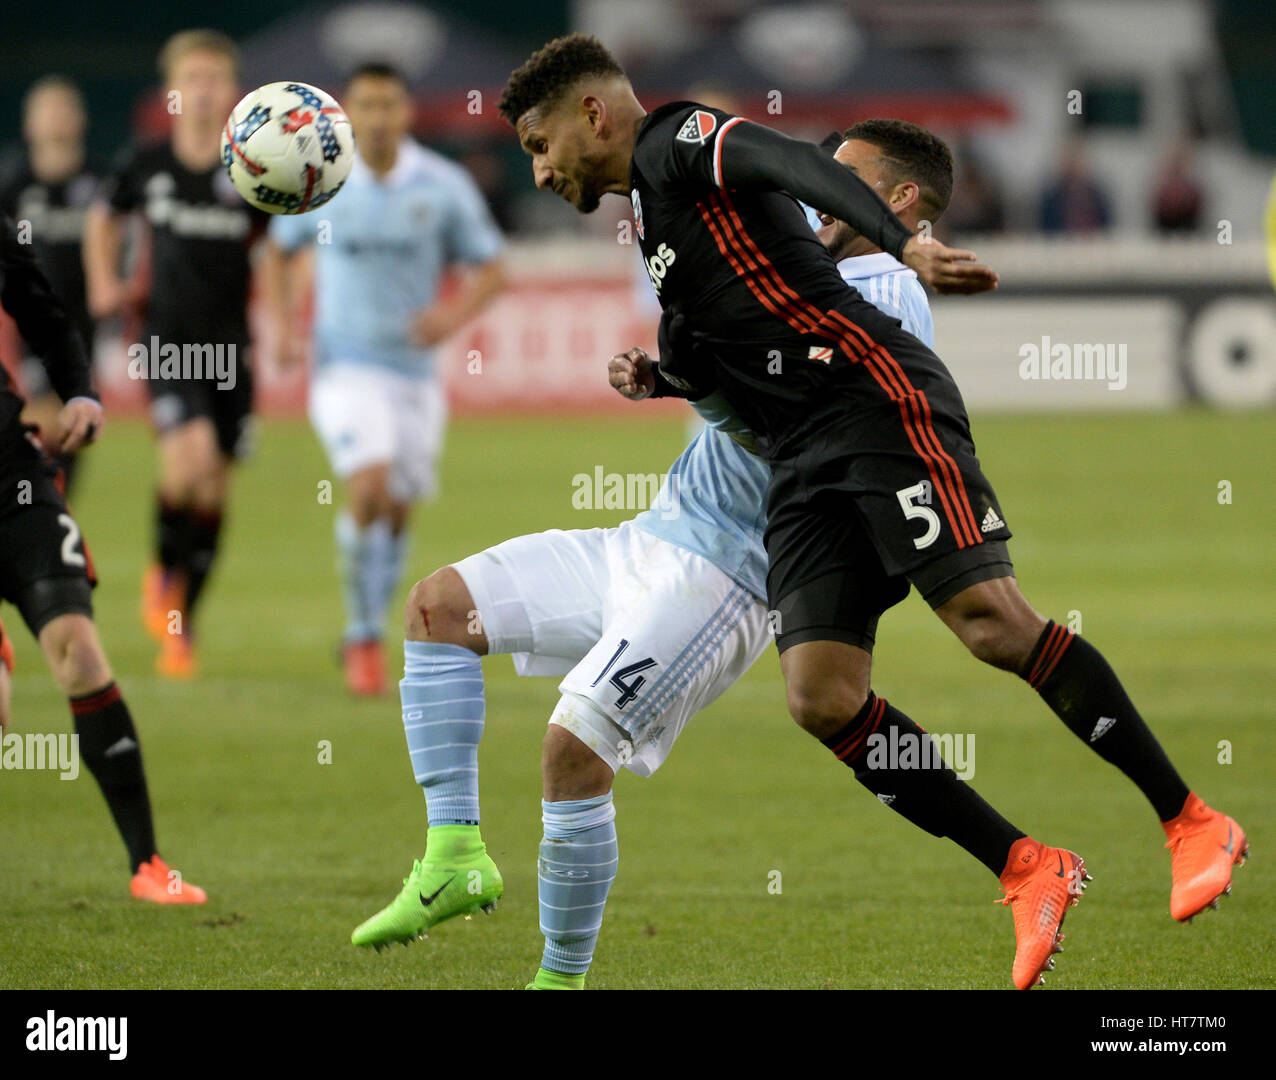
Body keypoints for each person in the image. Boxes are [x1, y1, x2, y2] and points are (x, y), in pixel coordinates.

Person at [500, 34, 1245, 988]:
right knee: (821, 696)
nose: (538, 166)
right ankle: (1027, 867)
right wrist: (667, 375)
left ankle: (1190, 819)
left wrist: (910, 243)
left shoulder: (681, 137)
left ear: (592, 116)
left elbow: (794, 160)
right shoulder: (655, 220)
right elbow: (735, 341)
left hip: (875, 405)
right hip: (801, 458)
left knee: (990, 625)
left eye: (537, 142)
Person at [351, 120, 1065, 990]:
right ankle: (455, 855)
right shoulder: (795, 268)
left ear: (894, 200)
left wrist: (700, 371)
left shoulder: (886, 285)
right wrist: (675, 373)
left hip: (728, 574)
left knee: (575, 748)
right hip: (654, 535)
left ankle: (560, 980)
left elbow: (808, 437)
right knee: (438, 607)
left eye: (838, 177)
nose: (813, 194)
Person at [0, 206, 205, 903]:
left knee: (78, 649)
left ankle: (148, 864)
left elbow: (46, 316)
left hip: (8, 477)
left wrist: (79, 390)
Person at [263, 62, 506, 695]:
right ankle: (361, 631)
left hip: (414, 376)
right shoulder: (321, 178)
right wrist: (286, 325)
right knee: (367, 487)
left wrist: (449, 317)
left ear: (405, 113)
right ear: (346, 113)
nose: (375, 117)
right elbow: (277, 248)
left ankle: (373, 618)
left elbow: (492, 268)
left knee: (397, 509)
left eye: (387, 104)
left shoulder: (442, 184)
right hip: (343, 367)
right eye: (364, 105)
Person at [84, 29, 269, 678]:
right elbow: (101, 218)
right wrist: (104, 280)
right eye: (192, 77)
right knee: (187, 461)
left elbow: (278, 247)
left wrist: (289, 320)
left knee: (214, 486)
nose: (204, 89)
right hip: (165, 340)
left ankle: (182, 622)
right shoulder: (145, 163)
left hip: (232, 348)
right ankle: (163, 578)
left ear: (232, 92)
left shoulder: (253, 166)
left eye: (215, 78)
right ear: (171, 92)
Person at [0, 75, 104, 491]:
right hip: (30, 332)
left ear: (81, 120)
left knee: (70, 443)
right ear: (29, 125)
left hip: (86, 330)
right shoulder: (13, 189)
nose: (58, 121)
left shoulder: (101, 184)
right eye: (47, 111)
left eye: (65, 109)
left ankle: (48, 527)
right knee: (46, 430)